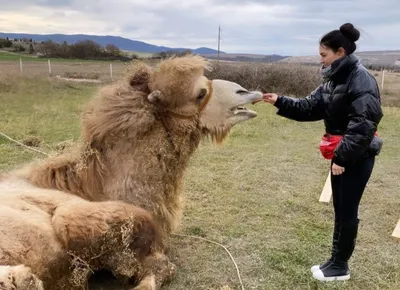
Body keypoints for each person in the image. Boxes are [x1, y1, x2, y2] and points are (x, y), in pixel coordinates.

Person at [255, 23, 383, 281]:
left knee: (347, 211)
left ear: (340, 52)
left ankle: (340, 267)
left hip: (355, 156)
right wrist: (279, 100)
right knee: (341, 208)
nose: (320, 59)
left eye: (324, 55)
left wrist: (341, 157)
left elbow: (364, 123)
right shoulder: (333, 79)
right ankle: (335, 261)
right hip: (344, 154)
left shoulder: (361, 78)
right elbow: (308, 107)